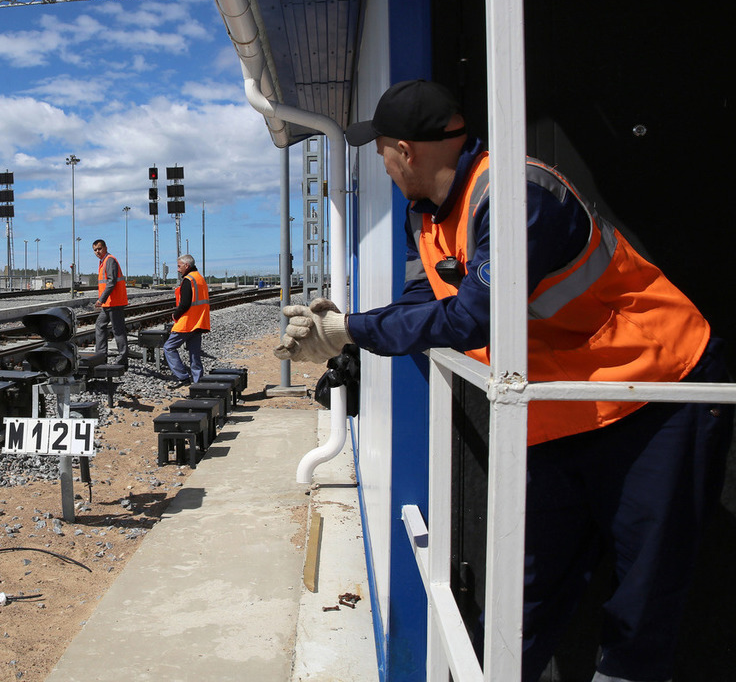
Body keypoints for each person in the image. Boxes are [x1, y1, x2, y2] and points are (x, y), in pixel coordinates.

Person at [274, 79, 732, 682]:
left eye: (380, 149)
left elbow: (472, 317)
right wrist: (350, 327)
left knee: (643, 597)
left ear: (405, 152)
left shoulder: (515, 194)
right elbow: (421, 299)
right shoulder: (429, 215)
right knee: (527, 586)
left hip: (655, 390)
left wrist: (350, 332)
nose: (380, 163)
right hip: (562, 405)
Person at [164, 254, 210, 385]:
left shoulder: (188, 280)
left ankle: (183, 377)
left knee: (169, 347)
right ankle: (198, 382)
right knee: (194, 354)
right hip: (199, 321)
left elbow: (184, 304)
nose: (178, 270)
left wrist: (175, 315)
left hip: (187, 322)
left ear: (186, 265)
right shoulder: (200, 278)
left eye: (179, 266)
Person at [91, 239, 129, 365]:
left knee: (118, 330)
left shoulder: (110, 260)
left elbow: (111, 282)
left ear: (105, 248)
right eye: (95, 250)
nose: (97, 252)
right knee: (100, 325)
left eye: (99, 249)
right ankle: (101, 356)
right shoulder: (103, 262)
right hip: (109, 303)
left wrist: (101, 299)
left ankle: (123, 360)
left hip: (114, 302)